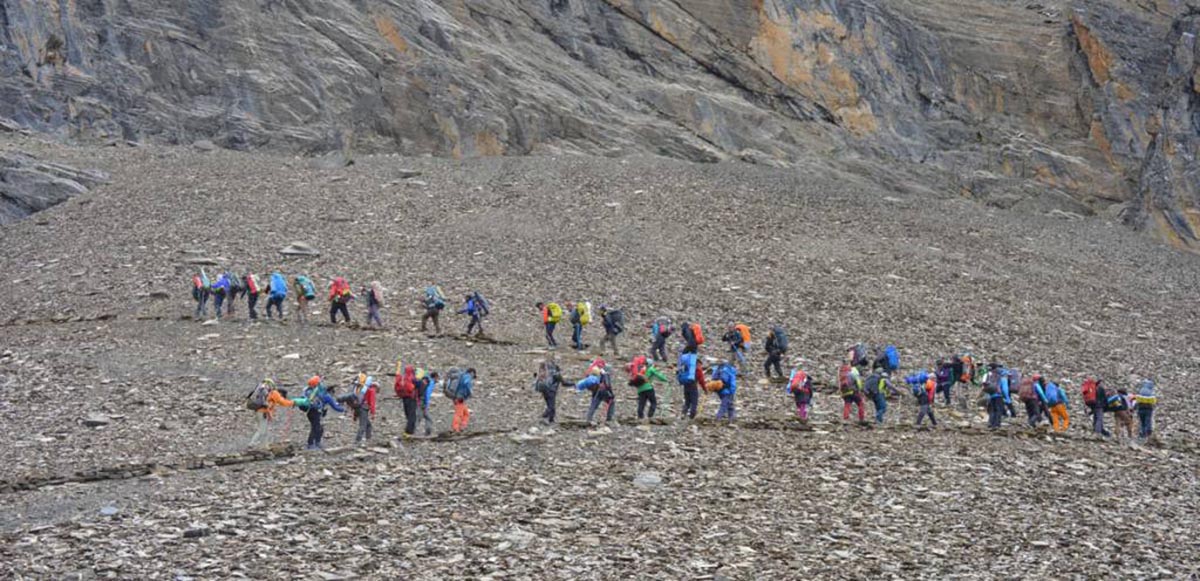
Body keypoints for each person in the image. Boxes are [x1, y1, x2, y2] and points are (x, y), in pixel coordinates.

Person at [301, 376, 345, 450]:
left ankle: (317, 442)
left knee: (319, 428)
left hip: (310, 412)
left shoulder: (311, 392)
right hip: (316, 413)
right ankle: (311, 444)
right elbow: (335, 407)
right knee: (316, 428)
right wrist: (344, 410)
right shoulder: (326, 396)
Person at [247, 378, 294, 446]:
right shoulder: (274, 393)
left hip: (259, 412)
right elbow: (282, 402)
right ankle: (251, 444)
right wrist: (294, 402)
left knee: (265, 431)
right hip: (262, 413)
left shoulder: (262, 391)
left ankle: (265, 445)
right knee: (262, 430)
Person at [534, 359, 564, 424]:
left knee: (549, 404)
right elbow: (564, 383)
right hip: (551, 391)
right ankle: (550, 419)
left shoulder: (544, 372)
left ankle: (546, 416)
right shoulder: (555, 374)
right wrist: (574, 384)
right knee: (551, 405)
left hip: (545, 390)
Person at [395, 362, 419, 437]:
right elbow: (410, 387)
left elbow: (396, 386)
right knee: (412, 414)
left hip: (404, 397)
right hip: (411, 397)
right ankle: (409, 430)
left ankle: (409, 429)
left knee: (407, 413)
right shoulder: (411, 377)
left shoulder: (402, 377)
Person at [353, 376, 378, 444]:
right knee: (363, 425)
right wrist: (373, 413)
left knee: (368, 425)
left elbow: (357, 400)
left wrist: (355, 415)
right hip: (364, 409)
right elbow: (372, 403)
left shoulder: (363, 389)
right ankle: (357, 440)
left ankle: (368, 439)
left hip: (358, 408)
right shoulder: (371, 391)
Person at [677, 349, 700, 419]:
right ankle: (691, 416)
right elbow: (701, 379)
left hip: (685, 385)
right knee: (694, 401)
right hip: (693, 385)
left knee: (687, 401)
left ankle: (683, 414)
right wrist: (705, 388)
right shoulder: (695, 370)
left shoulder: (684, 367)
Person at [984, 364, 1008, 429]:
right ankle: (996, 424)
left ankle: (991, 423)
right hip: (998, 395)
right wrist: (1007, 399)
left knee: (993, 410)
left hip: (991, 395)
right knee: (998, 410)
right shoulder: (1001, 377)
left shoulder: (990, 376)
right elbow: (1005, 389)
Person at [451, 368, 475, 432]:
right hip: (460, 397)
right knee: (459, 414)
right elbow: (466, 383)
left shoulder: (461, 376)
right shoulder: (467, 376)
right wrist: (470, 392)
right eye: (473, 375)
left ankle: (462, 427)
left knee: (466, 413)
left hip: (457, 397)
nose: (473, 377)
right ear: (472, 372)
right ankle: (456, 428)